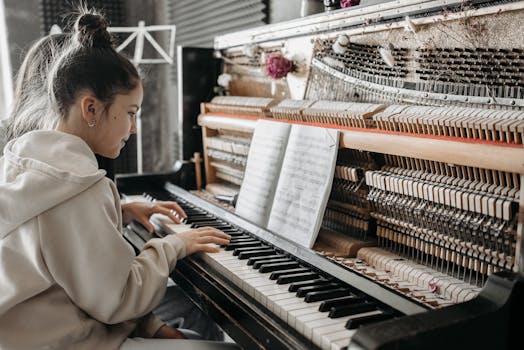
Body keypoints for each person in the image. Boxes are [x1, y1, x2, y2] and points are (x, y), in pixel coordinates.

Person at [0, 8, 238, 350]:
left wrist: (119, 210)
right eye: (130, 113)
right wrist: (173, 246)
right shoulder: (82, 188)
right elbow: (119, 300)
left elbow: (53, 233)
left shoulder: (27, 161)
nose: (134, 128)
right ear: (91, 109)